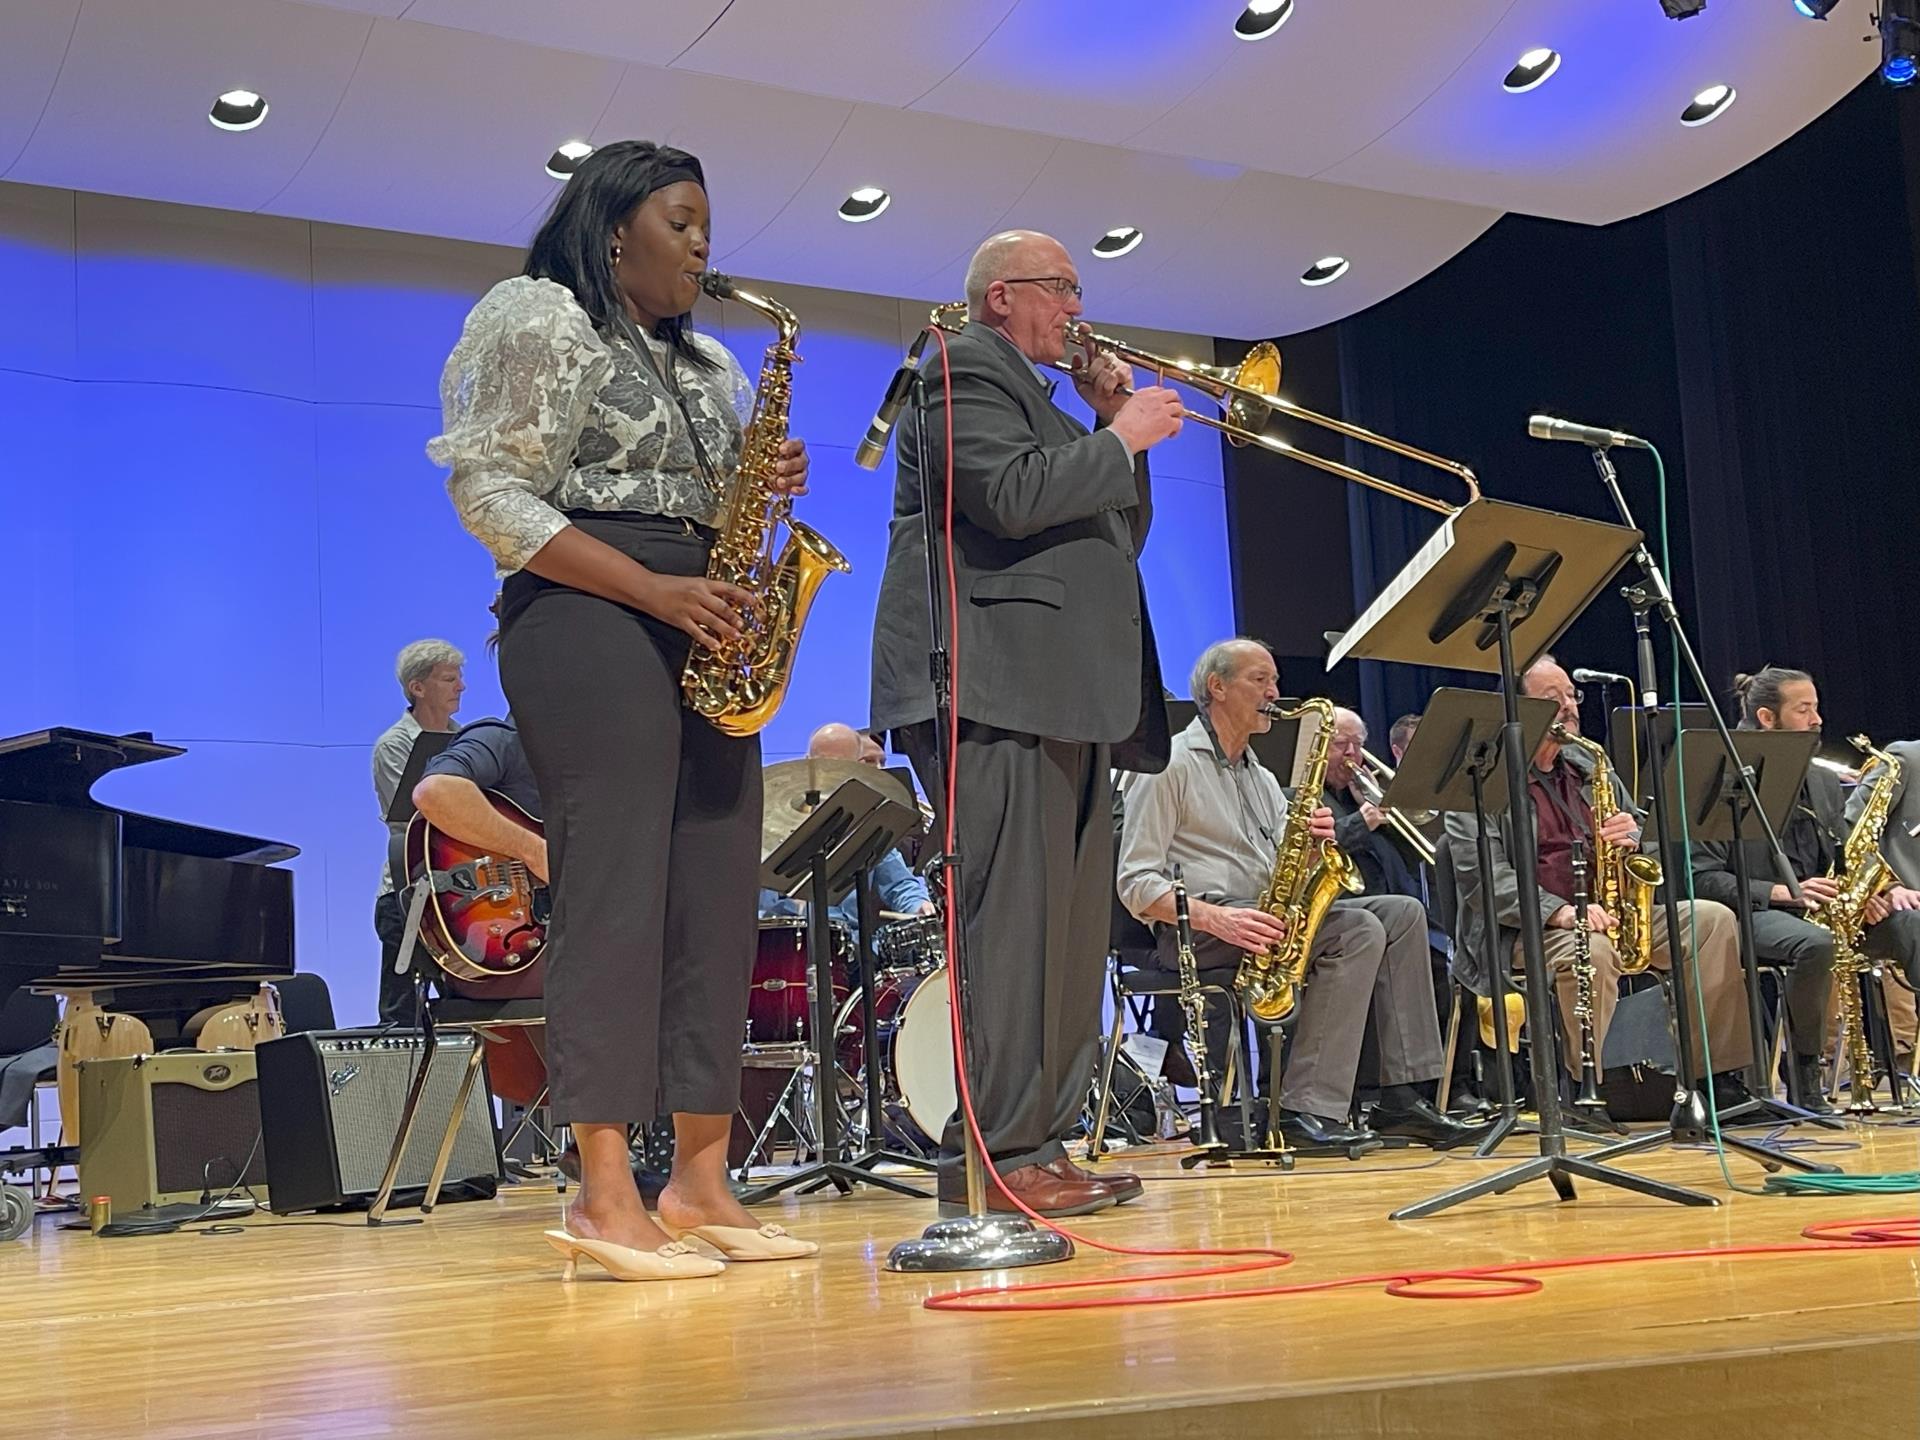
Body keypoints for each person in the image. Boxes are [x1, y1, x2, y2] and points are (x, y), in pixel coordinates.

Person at [430, 139, 816, 1280]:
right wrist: (653, 585)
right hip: (590, 607)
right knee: (614, 893)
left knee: (714, 888)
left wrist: (760, 482)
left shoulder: (707, 365)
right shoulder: (541, 316)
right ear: (613, 229)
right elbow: (488, 489)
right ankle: (605, 1192)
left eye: (707, 225)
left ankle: (699, 1179)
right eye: (681, 221)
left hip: (704, 608)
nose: (703, 244)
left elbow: (721, 499)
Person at [868, 228, 1181, 1217]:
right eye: (1062, 290)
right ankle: (999, 1152)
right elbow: (1002, 500)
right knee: (1013, 932)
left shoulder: (1046, 409)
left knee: (1069, 935)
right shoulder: (958, 367)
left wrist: (1107, 434)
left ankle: (1034, 1141)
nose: (1076, 311)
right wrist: (1121, 435)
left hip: (1065, 696)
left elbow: (1116, 531)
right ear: (1003, 295)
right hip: (992, 689)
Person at [1117, 641, 1487, 1150]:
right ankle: (1303, 1107)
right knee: (1356, 929)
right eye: (1260, 680)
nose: (1274, 693)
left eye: (1275, 682)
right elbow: (1136, 882)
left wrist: (1315, 850)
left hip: (1266, 918)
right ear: (1216, 688)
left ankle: (1402, 1095)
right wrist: (1219, 920)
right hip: (1201, 931)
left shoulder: (1262, 776)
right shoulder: (1170, 766)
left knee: (1403, 912)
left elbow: (1281, 867)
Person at [1449, 656, 1752, 1120]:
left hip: (1611, 912)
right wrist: (1562, 912)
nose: (1570, 707)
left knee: (1712, 921)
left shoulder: (1591, 764)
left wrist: (1634, 841)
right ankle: (1590, 1085)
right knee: (1590, 948)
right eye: (1554, 699)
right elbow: (1485, 879)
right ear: (1517, 709)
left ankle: (1714, 1080)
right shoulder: (1480, 779)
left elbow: (1646, 848)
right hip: (1522, 931)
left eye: (1573, 695)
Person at [1693, 667, 1918, 1104]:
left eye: (1816, 707)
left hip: (1820, 910)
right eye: (1804, 709)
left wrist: (1869, 892)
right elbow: (1700, 875)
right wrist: (1780, 892)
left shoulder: (1821, 779)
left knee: (1912, 925)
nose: (1817, 719)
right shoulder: (1716, 773)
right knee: (1814, 945)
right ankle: (1804, 1074)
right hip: (1752, 912)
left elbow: (1841, 852)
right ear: (1766, 717)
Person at [757, 723, 934, 954]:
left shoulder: (869, 825)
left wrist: (920, 906)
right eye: (824, 764)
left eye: (841, 767)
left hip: (853, 952)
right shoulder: (772, 823)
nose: (831, 774)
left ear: (858, 767)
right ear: (807, 761)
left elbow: (899, 885)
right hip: (784, 949)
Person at [371, 639, 465, 1025]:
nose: (461, 687)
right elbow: (417, 815)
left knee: (465, 1008)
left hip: (458, 893)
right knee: (402, 1017)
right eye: (449, 679)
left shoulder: (468, 740)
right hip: (407, 893)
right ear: (418, 687)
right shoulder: (393, 745)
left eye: (459, 678)